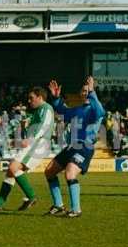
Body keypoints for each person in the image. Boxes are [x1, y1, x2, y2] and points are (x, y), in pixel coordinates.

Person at [0, 87, 54, 212]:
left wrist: (30, 139)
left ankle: (32, 197)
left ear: (40, 97)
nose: (29, 101)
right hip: (36, 143)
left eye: (31, 98)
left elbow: (44, 126)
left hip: (38, 143)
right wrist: (24, 128)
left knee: (13, 167)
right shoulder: (36, 111)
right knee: (11, 172)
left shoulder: (46, 108)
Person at [45, 76, 105, 218]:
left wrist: (92, 91)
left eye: (87, 91)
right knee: (49, 171)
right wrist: (56, 98)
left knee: (70, 173)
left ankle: (76, 209)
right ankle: (58, 205)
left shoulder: (94, 109)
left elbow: (100, 112)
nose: (85, 93)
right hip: (72, 146)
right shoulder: (77, 109)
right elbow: (62, 110)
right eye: (83, 91)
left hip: (84, 146)